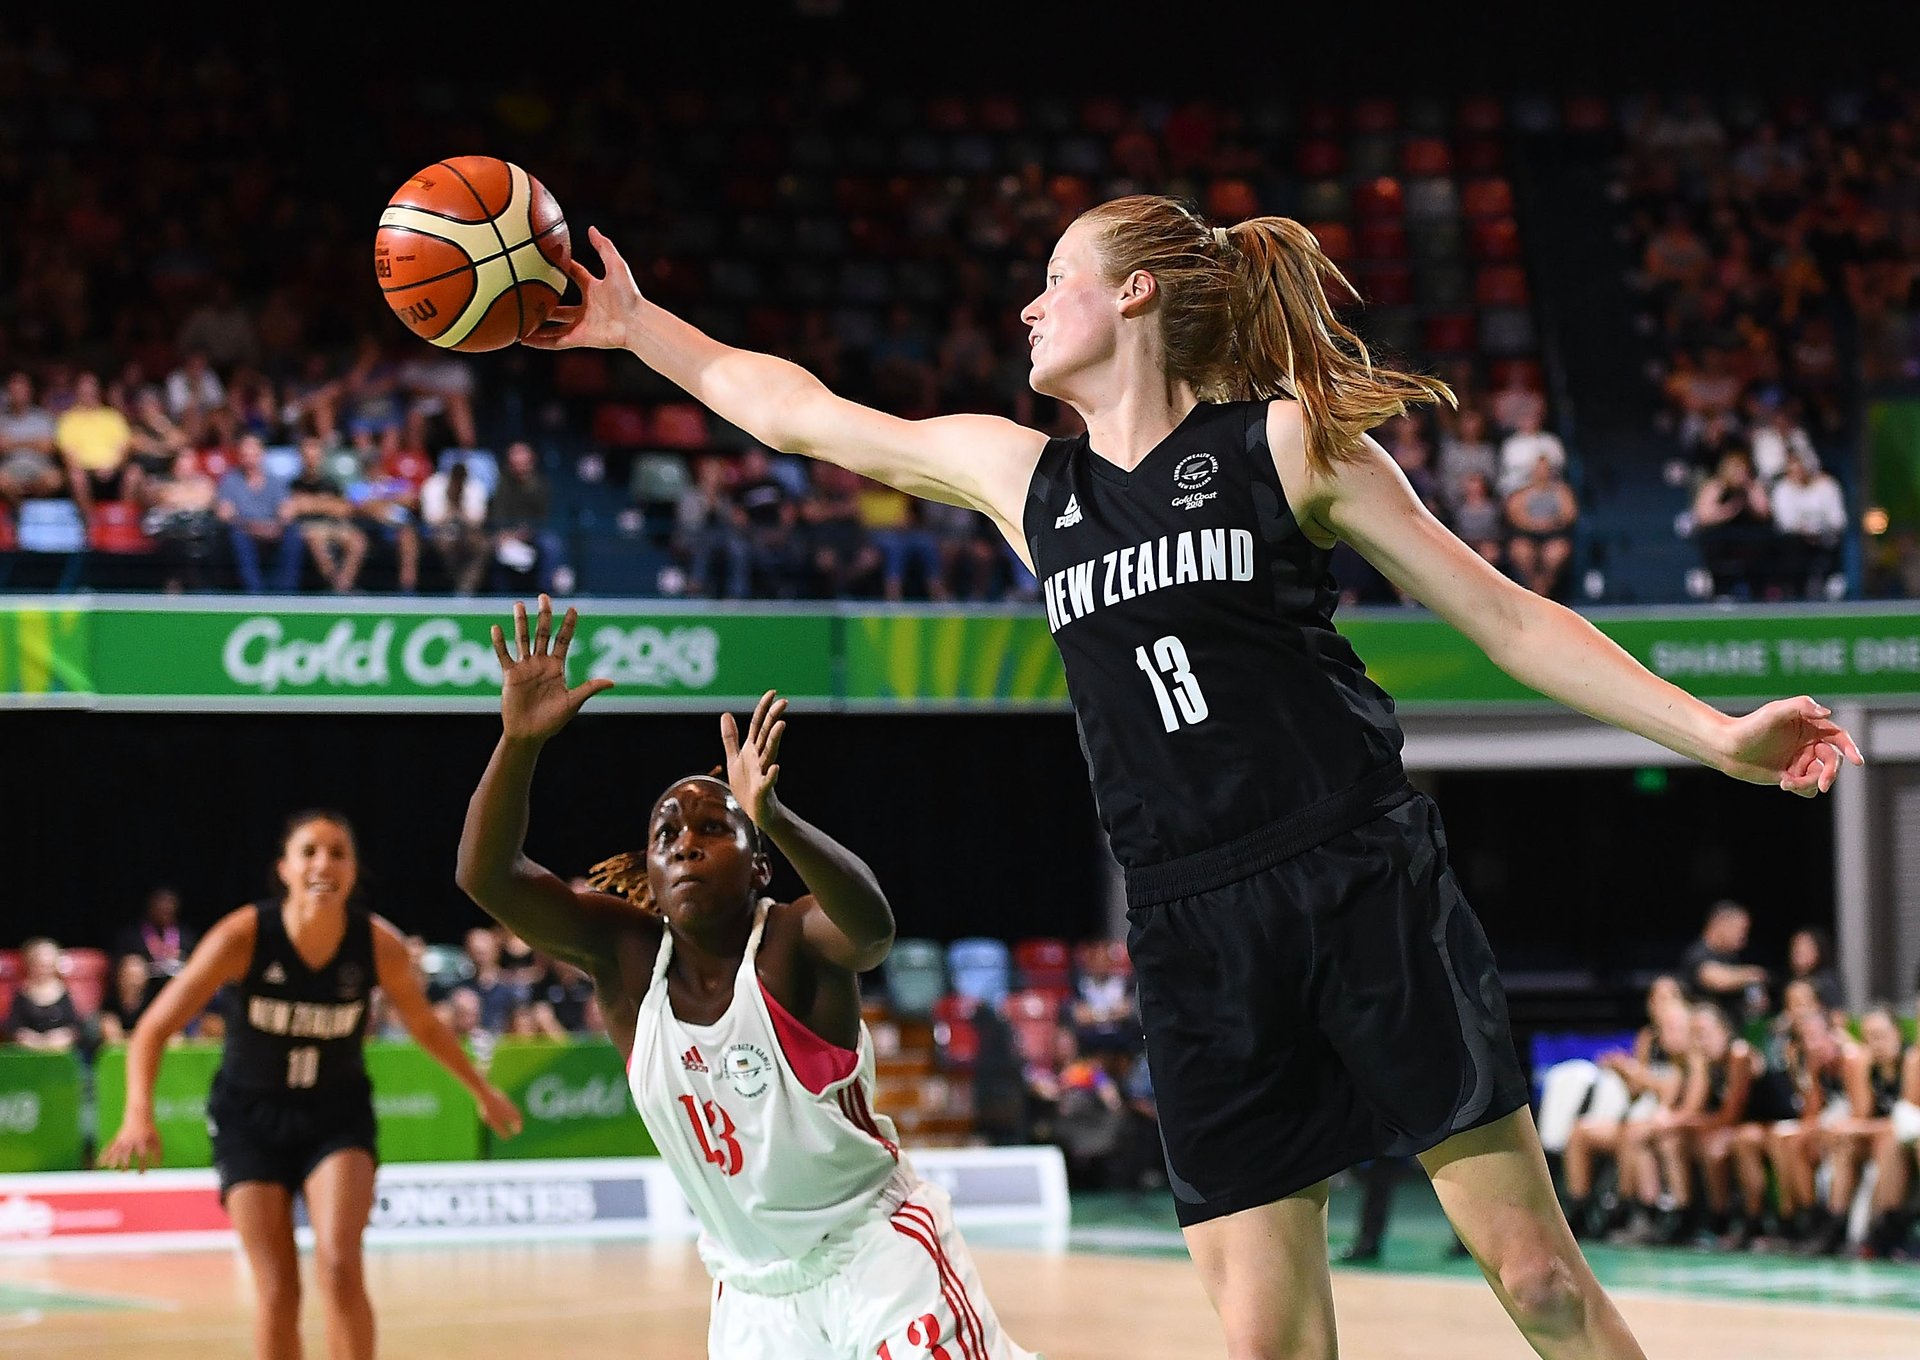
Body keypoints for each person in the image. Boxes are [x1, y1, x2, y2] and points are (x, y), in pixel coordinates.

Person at [531, 199, 1860, 1360]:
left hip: (1357, 879)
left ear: (1135, 292)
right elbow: (800, 414)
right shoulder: (1027, 480)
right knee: (1267, 1341)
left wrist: (1716, 735)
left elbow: (1507, 618)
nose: (1027, 306)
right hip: (1188, 925)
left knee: (1540, 1282)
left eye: (1054, 278)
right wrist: (638, 328)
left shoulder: (1288, 445)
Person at [455, 597, 1035, 1359]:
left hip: (876, 1254)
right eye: (666, 835)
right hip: (752, 1295)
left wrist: (776, 817)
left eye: (712, 829)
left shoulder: (792, 944)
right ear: (648, 873)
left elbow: (872, 931)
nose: (685, 844)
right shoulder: (627, 962)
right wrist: (519, 742)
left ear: (759, 865)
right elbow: (487, 876)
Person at [100, 811, 523, 1360]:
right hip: (249, 1118)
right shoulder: (243, 935)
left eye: (338, 853)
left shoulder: (379, 945)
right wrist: (138, 1113)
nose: (324, 863)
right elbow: (153, 1028)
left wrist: (481, 1090)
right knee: (278, 1290)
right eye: (309, 852)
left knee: (340, 1266)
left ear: (353, 871)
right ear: (285, 868)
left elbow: (424, 1025)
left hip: (335, 1115)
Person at [1680, 901, 1772, 1023]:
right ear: (1721, 924)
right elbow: (1715, 979)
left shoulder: (1731, 957)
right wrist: (1751, 974)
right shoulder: (1698, 952)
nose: (1744, 937)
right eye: (1740, 929)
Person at [4, 938, 81, 1051]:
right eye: (39, 965)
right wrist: (23, 1035)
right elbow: (12, 1024)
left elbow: (76, 1024)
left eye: (47, 966)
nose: (43, 971)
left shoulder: (65, 990)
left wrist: (65, 1035)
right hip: (29, 1049)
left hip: (59, 1049)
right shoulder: (22, 991)